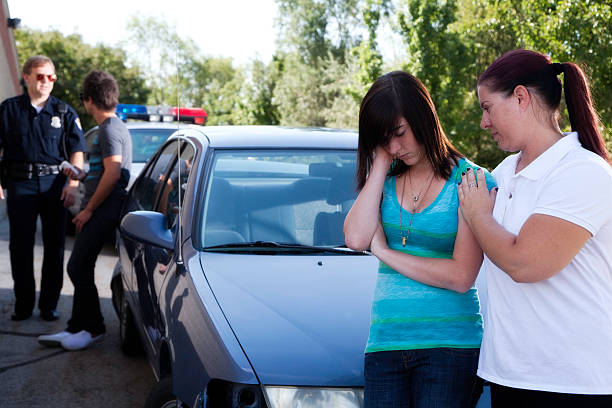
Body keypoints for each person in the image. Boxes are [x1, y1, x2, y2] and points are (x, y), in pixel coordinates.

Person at [458, 49, 612, 407]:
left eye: (486, 107)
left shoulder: (582, 171)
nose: (483, 122)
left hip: (574, 384)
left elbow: (526, 264)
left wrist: (480, 216)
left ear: (521, 97)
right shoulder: (502, 173)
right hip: (510, 377)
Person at [344, 71, 496, 407]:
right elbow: (355, 239)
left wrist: (384, 252)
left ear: (422, 118)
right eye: (384, 139)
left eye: (399, 133)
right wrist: (381, 162)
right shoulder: (385, 179)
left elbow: (460, 277)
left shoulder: (470, 182)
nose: (395, 146)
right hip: (385, 342)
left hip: (449, 345)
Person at [38, 69, 131, 351]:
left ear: (89, 99)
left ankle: (93, 328)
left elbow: (114, 173)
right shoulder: (113, 127)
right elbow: (105, 169)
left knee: (77, 266)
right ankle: (77, 327)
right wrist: (79, 173)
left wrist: (89, 209)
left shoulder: (109, 129)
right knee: (82, 265)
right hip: (103, 205)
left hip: (105, 208)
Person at [0, 55, 85, 322]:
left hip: (54, 186)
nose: (46, 81)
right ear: (26, 77)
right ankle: (23, 305)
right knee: (20, 246)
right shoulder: (9, 110)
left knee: (55, 246)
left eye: (51, 77)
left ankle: (49, 305)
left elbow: (77, 150)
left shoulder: (64, 111)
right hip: (20, 184)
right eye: (40, 76)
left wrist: (72, 185)